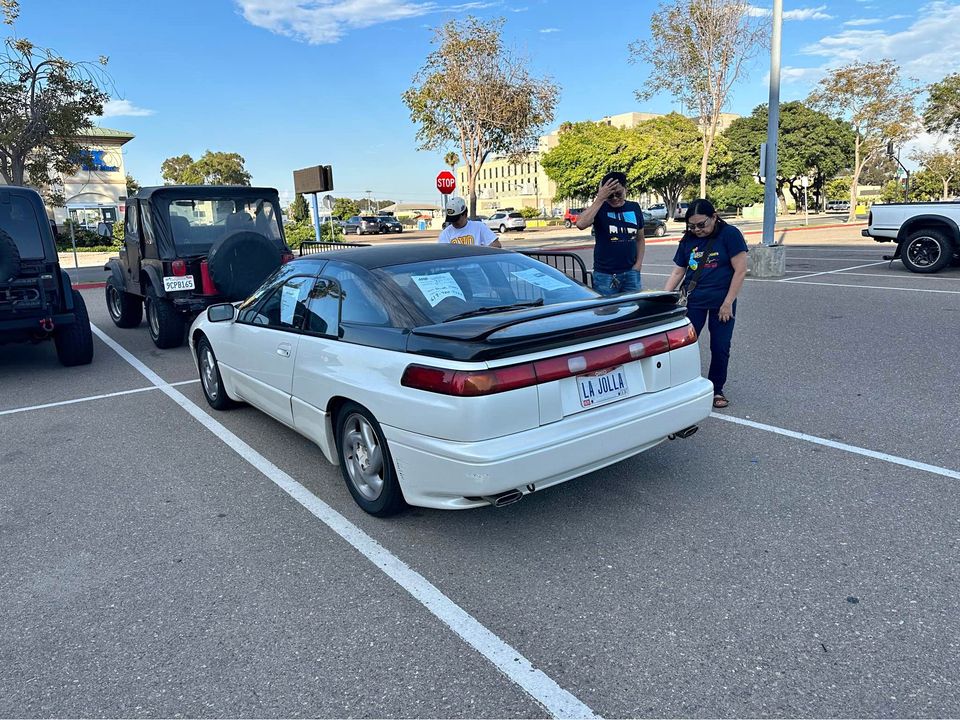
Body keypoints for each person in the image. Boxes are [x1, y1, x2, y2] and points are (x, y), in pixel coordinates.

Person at [664, 199, 748, 409]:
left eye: (702, 225)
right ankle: (682, 385)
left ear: (714, 217)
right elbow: (678, 271)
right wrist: (663, 298)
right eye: (691, 226)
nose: (697, 230)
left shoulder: (729, 235)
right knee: (684, 345)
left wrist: (728, 302)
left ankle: (716, 389)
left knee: (720, 347)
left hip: (722, 301)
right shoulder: (688, 239)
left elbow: (740, 270)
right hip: (694, 300)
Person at [575, 171, 645, 295]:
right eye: (610, 195)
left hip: (631, 274)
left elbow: (640, 239)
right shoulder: (600, 207)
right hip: (605, 275)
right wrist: (600, 198)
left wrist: (637, 266)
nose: (615, 199)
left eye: (618, 194)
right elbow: (581, 224)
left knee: (632, 310)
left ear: (625, 189)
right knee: (607, 312)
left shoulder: (634, 207)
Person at [437, 197, 501, 247]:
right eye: (451, 219)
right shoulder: (445, 234)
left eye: (456, 219)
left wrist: (480, 252)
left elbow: (497, 245)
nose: (454, 222)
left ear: (465, 214)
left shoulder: (479, 227)